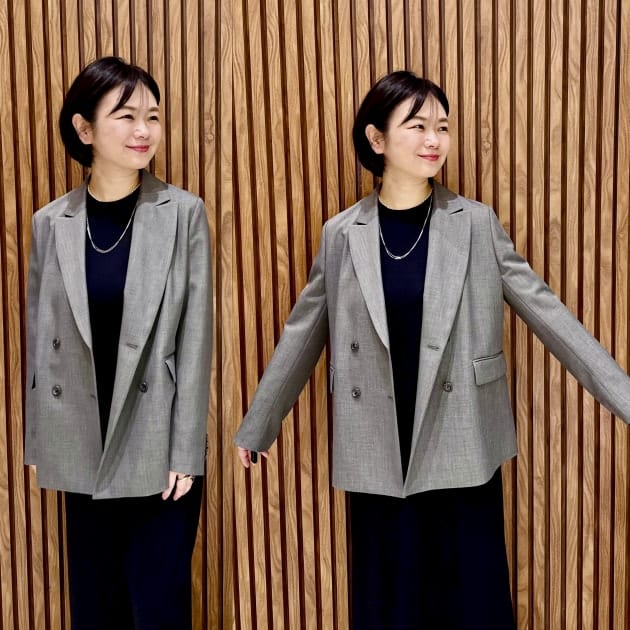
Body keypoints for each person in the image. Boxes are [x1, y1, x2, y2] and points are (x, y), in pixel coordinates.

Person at [233, 70, 630, 629]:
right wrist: (259, 424)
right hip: (378, 444)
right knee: (390, 604)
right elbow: (304, 332)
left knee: (471, 603)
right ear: (377, 139)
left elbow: (549, 315)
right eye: (417, 126)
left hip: (462, 436)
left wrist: (624, 397)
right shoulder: (342, 234)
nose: (434, 140)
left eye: (442, 127)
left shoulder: (475, 223)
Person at [24, 57, 212, 629]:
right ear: (84, 129)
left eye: (152, 116)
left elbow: (195, 339)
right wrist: (40, 437)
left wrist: (187, 451)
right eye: (126, 116)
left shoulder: (183, 213)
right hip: (81, 440)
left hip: (159, 447)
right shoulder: (51, 222)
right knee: (95, 606)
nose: (143, 130)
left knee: (158, 608)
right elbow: (39, 336)